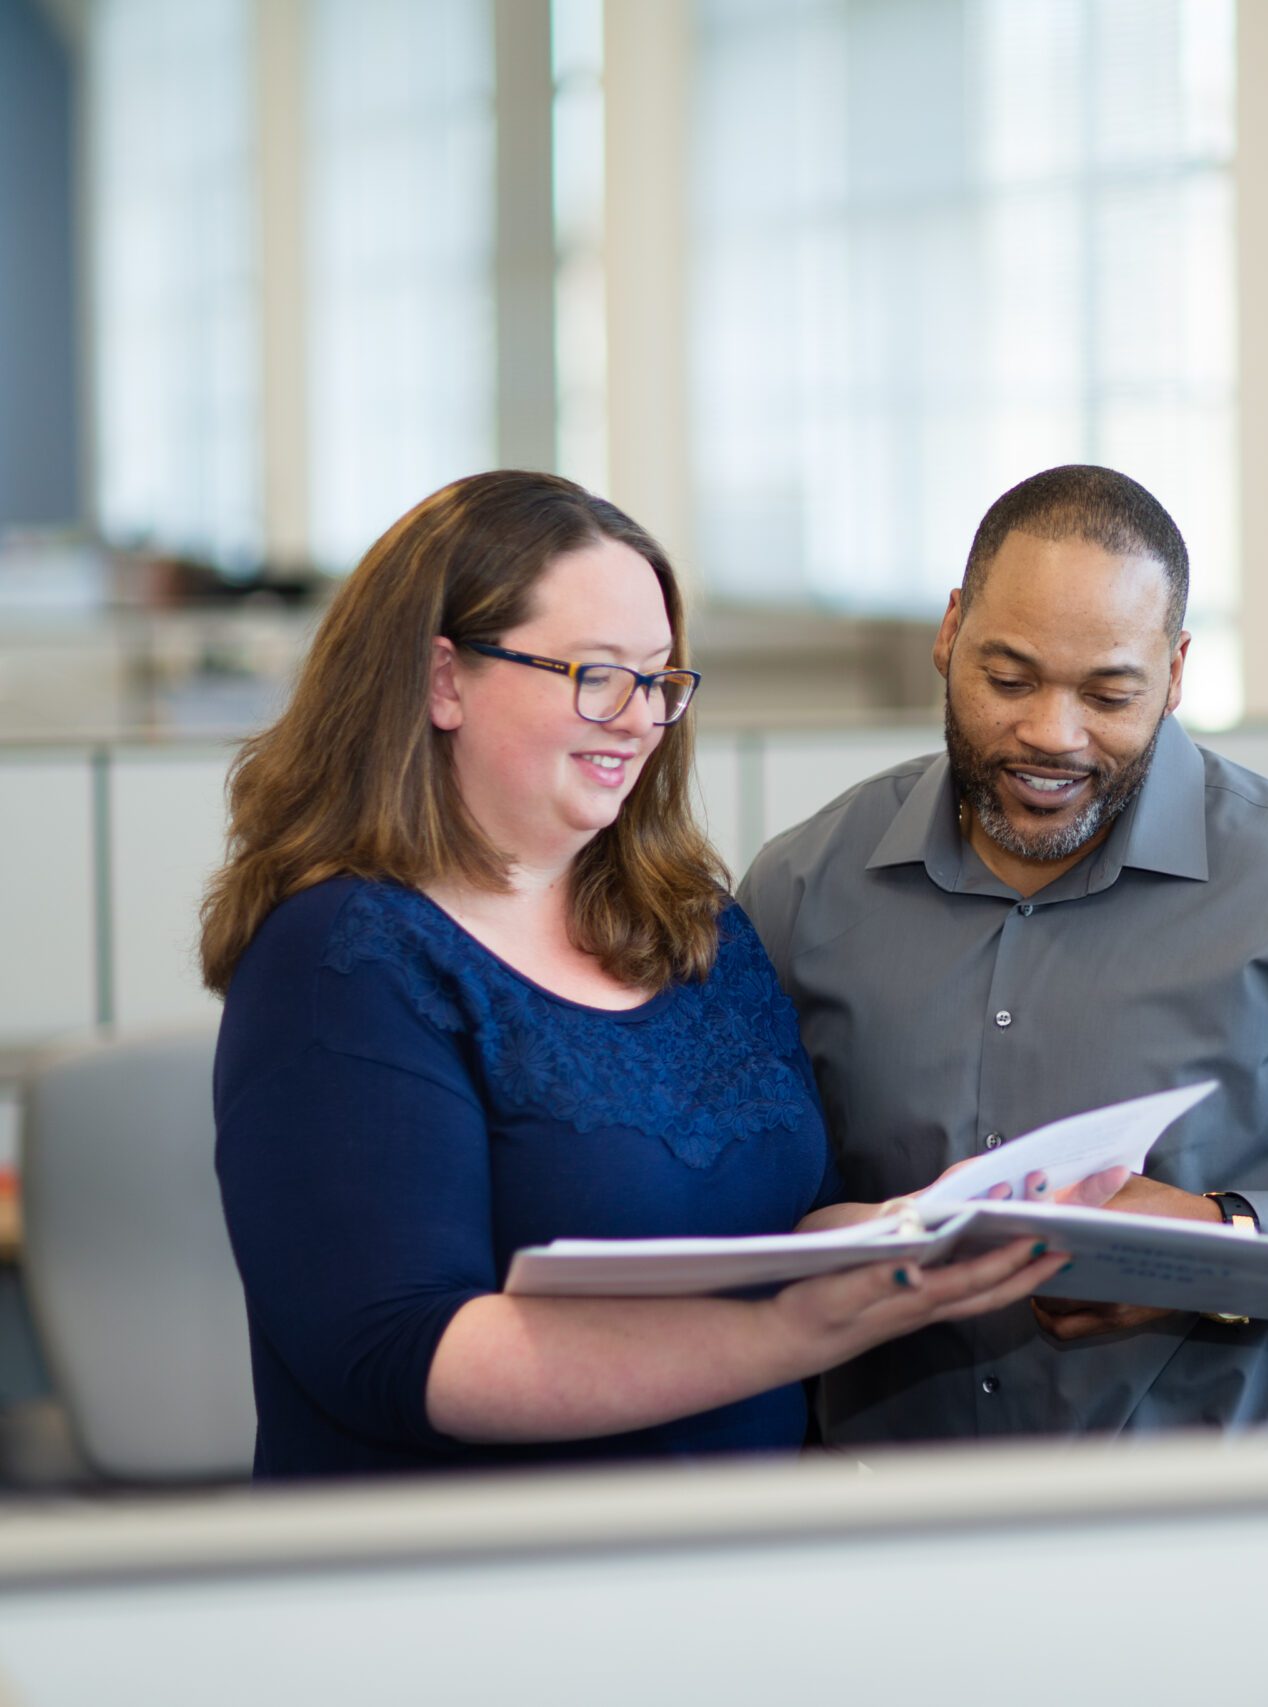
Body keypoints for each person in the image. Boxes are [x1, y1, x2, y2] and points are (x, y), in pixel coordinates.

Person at [205, 471, 1069, 1479]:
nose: (639, 719)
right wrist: (798, 1332)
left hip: (726, 1564)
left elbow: (790, 1220)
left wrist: (923, 1229)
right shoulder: (343, 959)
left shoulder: (689, 924)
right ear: (442, 679)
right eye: (596, 674)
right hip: (470, 1585)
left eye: (659, 680)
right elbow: (407, 1356)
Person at [738, 463, 1268, 1445]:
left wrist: (1219, 1244)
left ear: (1174, 674)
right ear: (949, 631)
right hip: (881, 1521)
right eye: (1009, 679)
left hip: (1202, 1536)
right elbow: (736, 1208)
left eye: (1109, 694)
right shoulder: (803, 887)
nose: (1052, 734)